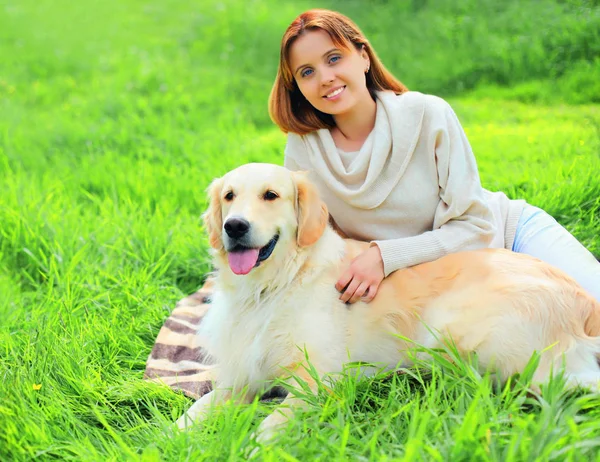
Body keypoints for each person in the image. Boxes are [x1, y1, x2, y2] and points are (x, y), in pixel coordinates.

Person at [268, 8, 600, 304]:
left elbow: (476, 227)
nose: (325, 78)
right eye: (306, 72)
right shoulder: (303, 148)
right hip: (435, 279)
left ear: (364, 57)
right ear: (296, 86)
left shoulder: (426, 114)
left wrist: (385, 256)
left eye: (334, 58)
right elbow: (313, 240)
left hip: (508, 236)